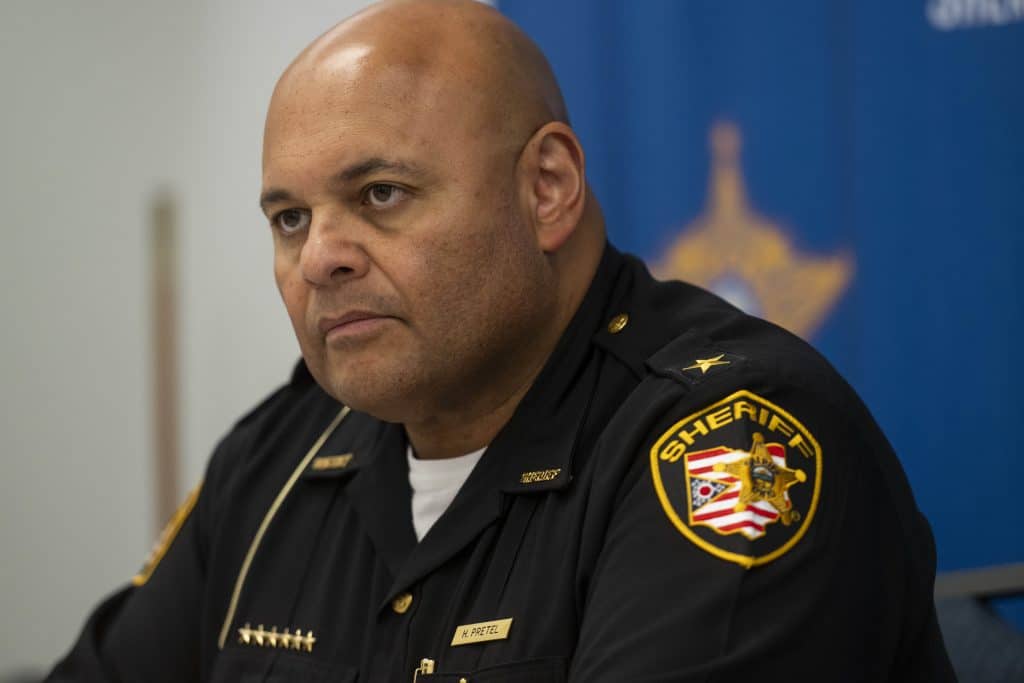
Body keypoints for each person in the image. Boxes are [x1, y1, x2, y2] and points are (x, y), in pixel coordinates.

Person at [47, 1, 956, 681]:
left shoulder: (729, 439)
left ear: (549, 186)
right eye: (289, 217)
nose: (319, 257)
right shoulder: (277, 458)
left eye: (380, 195)